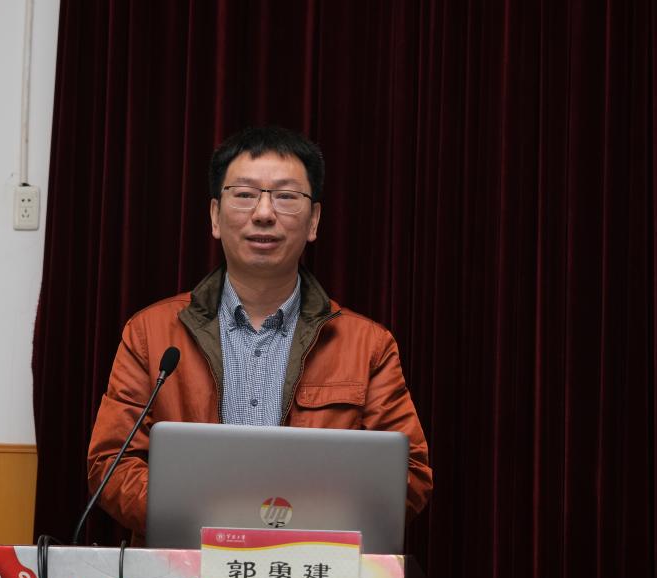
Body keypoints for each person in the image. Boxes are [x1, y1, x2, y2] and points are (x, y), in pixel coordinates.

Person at [86, 126, 432, 539]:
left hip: (312, 566)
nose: (264, 213)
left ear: (314, 221)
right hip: (185, 566)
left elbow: (409, 474)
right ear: (215, 216)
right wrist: (206, 523)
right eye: (245, 194)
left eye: (286, 196)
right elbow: (111, 463)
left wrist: (302, 526)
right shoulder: (150, 333)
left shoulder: (368, 346)